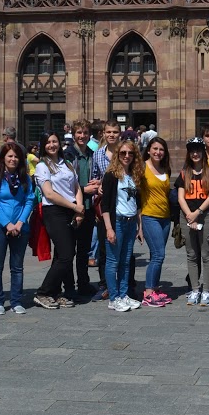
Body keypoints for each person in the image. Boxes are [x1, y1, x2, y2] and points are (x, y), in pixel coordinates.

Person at [32, 132, 84, 310]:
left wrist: (79, 208)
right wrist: (74, 206)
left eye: (54, 141)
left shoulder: (67, 163)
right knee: (66, 254)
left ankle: (55, 292)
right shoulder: (42, 166)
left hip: (70, 210)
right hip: (54, 211)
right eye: (48, 142)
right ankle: (43, 292)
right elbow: (49, 194)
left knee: (63, 254)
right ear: (43, 146)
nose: (52, 145)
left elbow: (76, 187)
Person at [0, 142, 36, 315]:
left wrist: (20, 223)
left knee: (17, 266)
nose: (13, 159)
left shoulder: (25, 178)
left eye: (16, 156)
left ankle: (16, 301)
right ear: (3, 158)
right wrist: (7, 224)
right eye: (10, 156)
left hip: (20, 226)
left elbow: (29, 200)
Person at [101, 140, 145, 313]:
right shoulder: (111, 175)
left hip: (130, 222)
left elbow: (138, 204)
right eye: (123, 153)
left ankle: (123, 294)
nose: (127, 156)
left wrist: (139, 227)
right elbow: (105, 206)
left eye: (130, 153)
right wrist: (109, 228)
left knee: (126, 262)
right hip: (116, 222)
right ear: (118, 155)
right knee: (113, 261)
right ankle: (113, 298)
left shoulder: (135, 175)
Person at [176, 137, 209, 306]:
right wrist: (189, 215)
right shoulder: (184, 173)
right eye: (192, 150)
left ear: (203, 152)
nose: (195, 154)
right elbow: (180, 197)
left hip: (205, 215)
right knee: (192, 254)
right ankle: (195, 289)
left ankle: (207, 291)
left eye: (198, 150)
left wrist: (198, 212)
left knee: (206, 254)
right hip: (187, 215)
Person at [63, 119, 101, 297]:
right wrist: (84, 189)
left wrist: (98, 182)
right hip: (71, 207)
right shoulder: (68, 154)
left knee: (84, 249)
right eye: (79, 132)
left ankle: (83, 283)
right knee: (68, 250)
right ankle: (69, 286)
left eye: (85, 133)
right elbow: (65, 182)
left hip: (88, 207)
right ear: (73, 134)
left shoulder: (93, 154)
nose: (82, 136)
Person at [139, 137, 175, 308]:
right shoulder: (142, 167)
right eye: (155, 148)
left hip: (165, 217)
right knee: (159, 254)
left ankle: (154, 288)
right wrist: (139, 224)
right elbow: (137, 196)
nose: (158, 152)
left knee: (157, 256)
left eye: (161, 149)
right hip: (149, 216)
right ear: (148, 150)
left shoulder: (165, 168)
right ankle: (147, 293)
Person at [91, 120, 122, 300]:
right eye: (108, 132)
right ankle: (104, 284)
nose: (111, 135)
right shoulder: (97, 155)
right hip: (105, 206)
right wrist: (98, 186)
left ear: (120, 134)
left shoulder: (125, 153)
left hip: (123, 205)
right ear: (103, 133)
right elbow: (94, 178)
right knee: (103, 247)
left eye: (115, 132)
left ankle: (125, 283)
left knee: (124, 247)